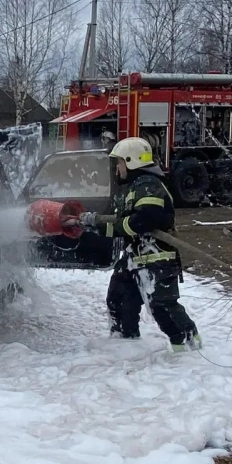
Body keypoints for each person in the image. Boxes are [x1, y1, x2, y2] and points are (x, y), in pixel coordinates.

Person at [69, 137, 202, 352]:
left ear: (132, 162)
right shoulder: (132, 188)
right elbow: (121, 225)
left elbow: (144, 219)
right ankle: (125, 344)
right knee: (119, 299)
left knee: (162, 307)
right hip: (134, 258)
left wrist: (120, 223)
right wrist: (93, 227)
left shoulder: (148, 186)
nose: (117, 168)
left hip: (158, 258)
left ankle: (189, 348)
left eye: (120, 162)